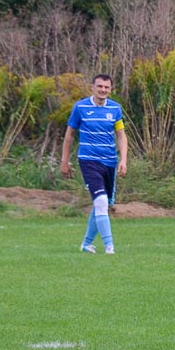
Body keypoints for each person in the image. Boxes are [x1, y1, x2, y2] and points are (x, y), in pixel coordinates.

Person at [61, 74, 128, 255]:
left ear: (110, 89)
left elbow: (121, 135)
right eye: (100, 86)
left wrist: (123, 160)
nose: (103, 90)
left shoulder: (115, 109)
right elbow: (69, 136)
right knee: (100, 200)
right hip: (88, 160)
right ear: (92, 87)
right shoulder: (80, 107)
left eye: (106, 87)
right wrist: (64, 161)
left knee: (103, 204)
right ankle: (109, 247)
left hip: (110, 162)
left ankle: (86, 244)